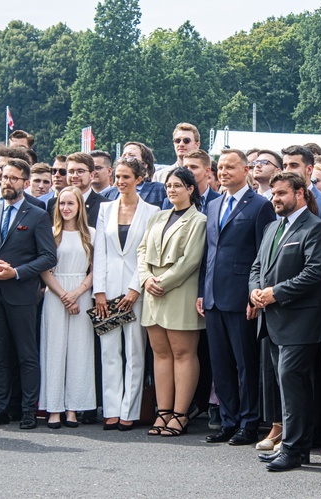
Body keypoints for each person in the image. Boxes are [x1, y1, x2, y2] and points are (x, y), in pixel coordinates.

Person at [250, 171, 321, 472]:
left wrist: (276, 293)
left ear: (300, 193)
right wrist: (255, 292)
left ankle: (293, 448)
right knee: (286, 384)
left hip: (302, 320)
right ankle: (296, 448)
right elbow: (257, 266)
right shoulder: (273, 227)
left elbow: (315, 273)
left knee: (292, 381)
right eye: (274, 194)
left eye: (282, 193)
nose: (276, 199)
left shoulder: (317, 228)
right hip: (273, 319)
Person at [0, 158, 57, 430]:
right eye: (5, 177)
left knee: (26, 355)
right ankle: (1, 407)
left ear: (25, 183)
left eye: (14, 179)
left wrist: (16, 272)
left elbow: (48, 257)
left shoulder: (37, 214)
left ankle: (28, 410)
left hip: (22, 295)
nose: (8, 182)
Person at [200, 149, 275, 446]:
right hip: (213, 296)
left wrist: (251, 297)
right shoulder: (215, 204)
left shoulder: (259, 206)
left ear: (246, 169)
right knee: (221, 364)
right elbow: (209, 252)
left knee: (245, 363)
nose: (224, 172)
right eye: (220, 168)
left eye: (231, 167)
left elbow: (262, 256)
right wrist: (200, 292)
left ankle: (248, 421)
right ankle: (228, 420)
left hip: (241, 297)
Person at [138, 167, 206, 436]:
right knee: (160, 354)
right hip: (152, 291)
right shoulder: (157, 217)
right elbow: (142, 250)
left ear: (190, 189)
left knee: (183, 353)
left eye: (178, 185)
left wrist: (162, 283)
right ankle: (163, 411)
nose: (172, 190)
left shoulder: (198, 220)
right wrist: (146, 279)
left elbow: (190, 260)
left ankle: (180, 414)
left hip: (179, 292)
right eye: (168, 186)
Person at [92, 157, 159, 431]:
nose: (120, 182)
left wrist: (135, 288)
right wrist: (99, 292)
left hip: (136, 291)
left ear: (139, 179)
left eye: (126, 177)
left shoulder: (152, 211)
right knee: (109, 351)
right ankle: (111, 409)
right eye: (117, 177)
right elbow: (100, 251)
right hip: (107, 291)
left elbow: (149, 254)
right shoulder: (105, 209)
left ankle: (129, 411)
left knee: (135, 352)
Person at [38, 187, 97, 429]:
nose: (65, 208)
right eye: (62, 203)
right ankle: (53, 408)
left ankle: (73, 407)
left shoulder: (91, 234)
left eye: (71, 203)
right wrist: (64, 295)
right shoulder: (51, 233)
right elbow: (44, 268)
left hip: (81, 294)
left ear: (80, 206)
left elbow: (96, 269)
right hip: (55, 294)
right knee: (54, 350)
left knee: (79, 351)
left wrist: (77, 293)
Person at [281, 145, 321, 223]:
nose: (287, 170)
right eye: (284, 166)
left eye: (293, 165)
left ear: (309, 169)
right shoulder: (280, 200)